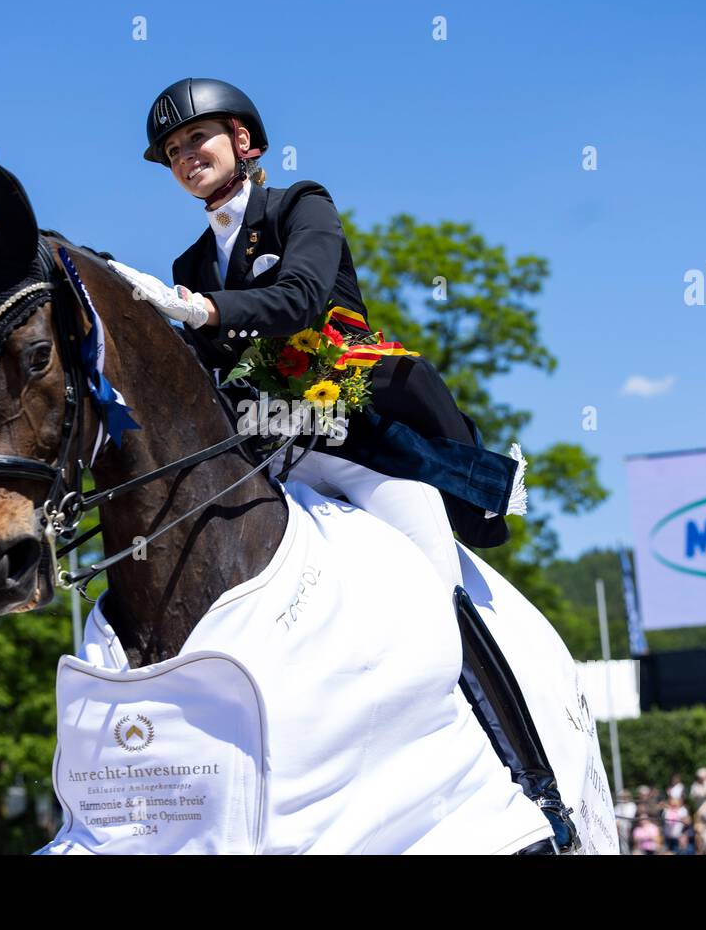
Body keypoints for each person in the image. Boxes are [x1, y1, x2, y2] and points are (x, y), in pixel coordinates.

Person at [112, 78, 527, 599]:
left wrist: (203, 308)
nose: (185, 155)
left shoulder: (301, 206)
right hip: (274, 457)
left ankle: (468, 668)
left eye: (197, 137)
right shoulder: (190, 263)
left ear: (242, 140)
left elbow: (299, 299)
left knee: (433, 586)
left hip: (364, 444)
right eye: (173, 151)